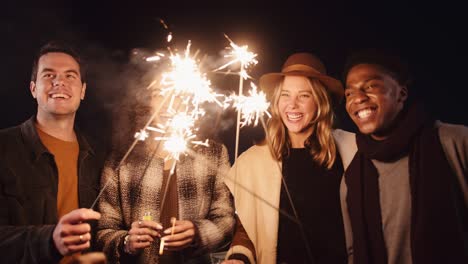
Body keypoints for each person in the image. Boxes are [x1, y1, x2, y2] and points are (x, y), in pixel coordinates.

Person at [341, 50, 468, 263]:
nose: (359, 98)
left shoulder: (454, 142)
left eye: (371, 86)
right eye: (349, 93)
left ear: (402, 93)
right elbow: (353, 250)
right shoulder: (352, 177)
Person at [224, 52, 351, 264]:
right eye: (285, 94)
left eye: (304, 95)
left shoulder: (352, 150)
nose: (292, 105)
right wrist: (238, 257)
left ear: (320, 101)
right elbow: (246, 228)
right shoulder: (252, 162)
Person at [95, 92, 235, 263]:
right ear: (146, 102)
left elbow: (227, 219)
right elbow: (103, 231)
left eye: (177, 95)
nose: (168, 103)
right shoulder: (121, 160)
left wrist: (198, 233)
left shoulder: (214, 154)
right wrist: (126, 242)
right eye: (159, 94)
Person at [0, 42, 104, 263]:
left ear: (83, 91)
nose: (59, 82)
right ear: (33, 88)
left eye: (70, 76)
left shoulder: (100, 158)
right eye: (48, 75)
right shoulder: (4, 148)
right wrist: (49, 241)